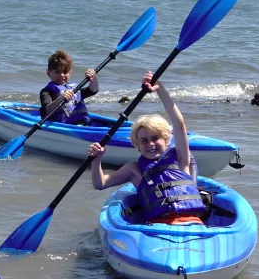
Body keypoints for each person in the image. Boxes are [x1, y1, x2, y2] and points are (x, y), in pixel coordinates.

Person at [87, 71, 206, 225]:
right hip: (159, 227)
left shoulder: (181, 158)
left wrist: (160, 89)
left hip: (192, 222)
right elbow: (100, 184)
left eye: (155, 138)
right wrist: (96, 161)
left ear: (166, 139)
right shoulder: (134, 170)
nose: (150, 144)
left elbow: (179, 123)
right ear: (137, 144)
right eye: (144, 140)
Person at [39, 49, 99, 125]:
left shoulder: (74, 89)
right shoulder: (46, 91)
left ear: (70, 73)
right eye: (57, 72)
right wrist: (61, 98)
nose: (62, 75)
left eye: (65, 72)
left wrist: (93, 78)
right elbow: (46, 111)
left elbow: (93, 90)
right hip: (63, 126)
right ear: (48, 73)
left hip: (84, 125)